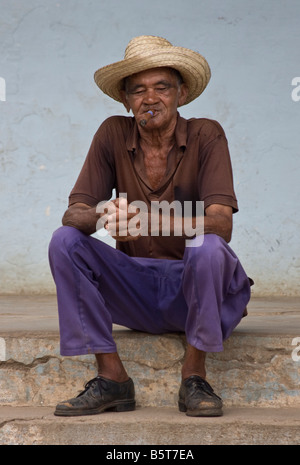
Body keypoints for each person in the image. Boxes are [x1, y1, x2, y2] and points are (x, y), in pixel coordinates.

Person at [49, 35, 252, 418]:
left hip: (196, 290)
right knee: (64, 241)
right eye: (138, 90)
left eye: (162, 87)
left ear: (182, 92)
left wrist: (147, 218)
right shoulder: (112, 133)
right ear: (126, 100)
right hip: (137, 291)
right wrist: (107, 215)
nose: (150, 98)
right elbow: (74, 212)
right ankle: (112, 380)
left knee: (206, 246)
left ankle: (194, 376)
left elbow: (221, 224)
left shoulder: (207, 134)